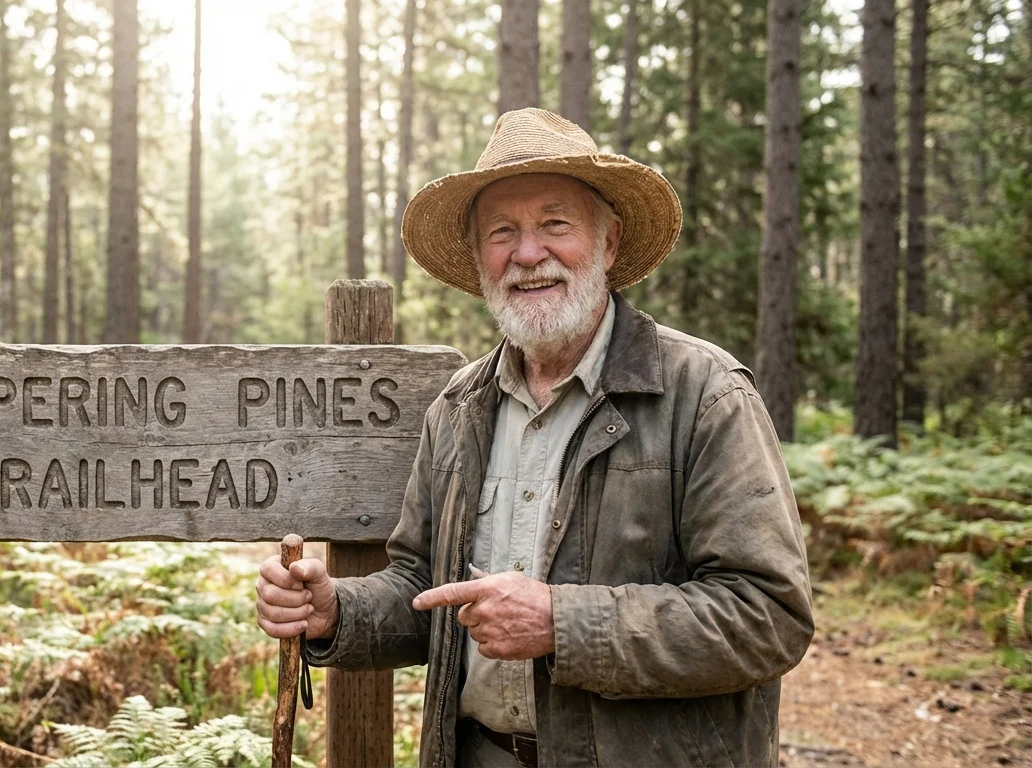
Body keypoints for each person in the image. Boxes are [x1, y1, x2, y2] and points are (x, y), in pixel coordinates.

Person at [255, 108, 813, 767]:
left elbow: (768, 616)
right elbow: (422, 586)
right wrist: (335, 613)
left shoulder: (704, 394)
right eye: (502, 232)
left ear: (608, 243)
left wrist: (559, 622)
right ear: (479, 257)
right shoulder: (459, 406)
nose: (527, 253)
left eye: (555, 224)